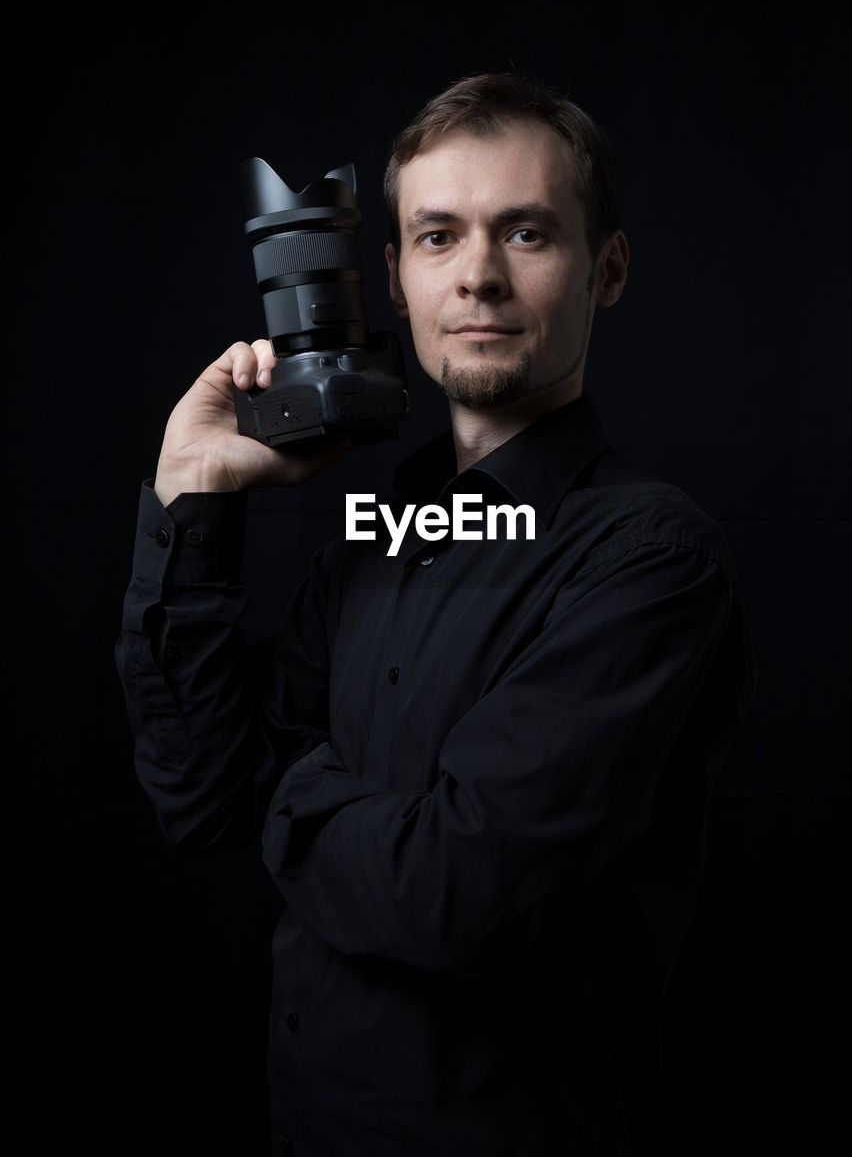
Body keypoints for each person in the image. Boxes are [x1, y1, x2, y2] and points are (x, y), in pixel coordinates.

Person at [114, 70, 757, 1156]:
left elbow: (455, 893)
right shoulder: (382, 526)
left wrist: (287, 779)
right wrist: (194, 495)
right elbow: (198, 792)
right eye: (438, 236)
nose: (480, 278)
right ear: (395, 281)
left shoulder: (650, 559)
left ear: (607, 268)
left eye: (526, 233)